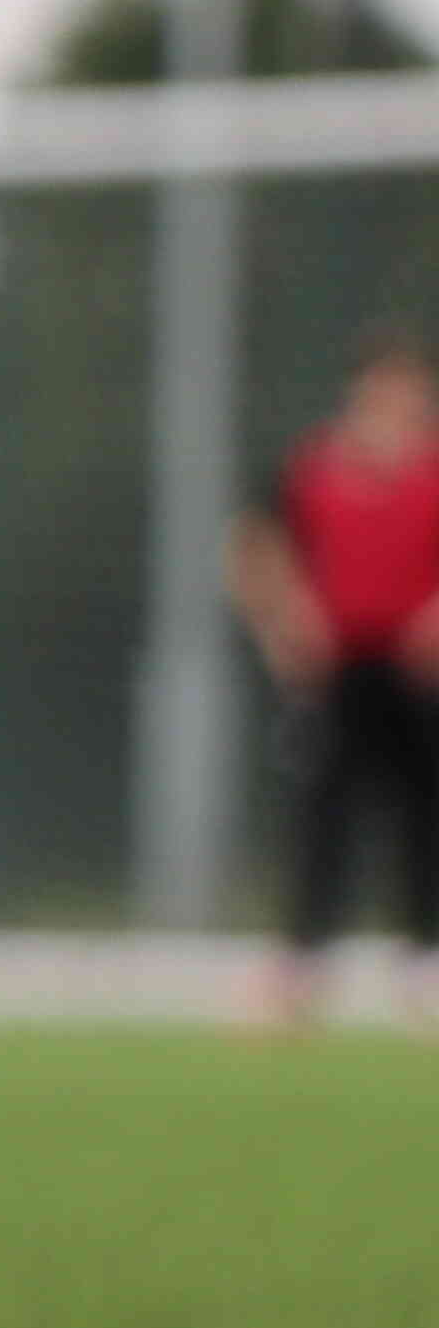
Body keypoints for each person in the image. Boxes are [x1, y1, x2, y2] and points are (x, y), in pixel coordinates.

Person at [233, 327, 439, 1019]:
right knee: (321, 816)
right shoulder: (313, 469)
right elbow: (256, 546)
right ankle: (303, 966)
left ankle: (425, 961)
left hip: (420, 673)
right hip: (338, 671)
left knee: (425, 816)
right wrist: (286, 619)